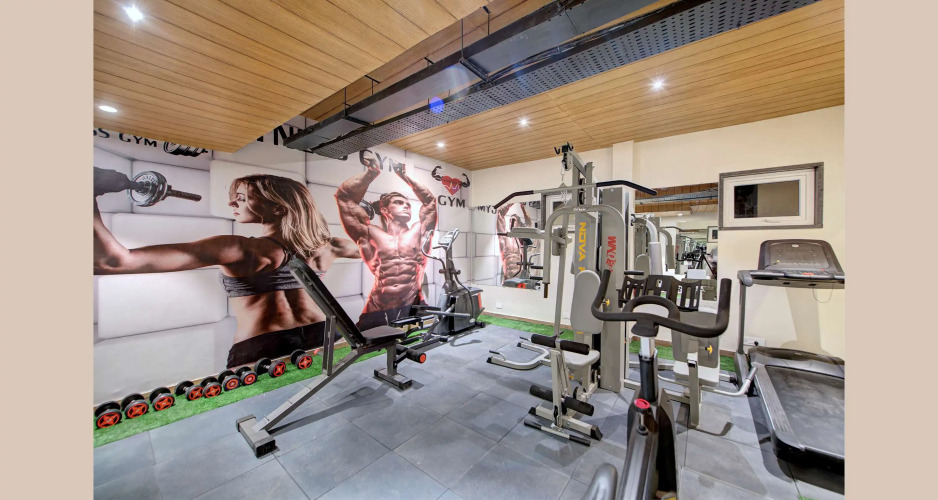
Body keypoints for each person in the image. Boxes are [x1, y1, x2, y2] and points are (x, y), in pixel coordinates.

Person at [92, 168, 360, 368]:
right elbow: (376, 250)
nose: (232, 203)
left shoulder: (237, 248)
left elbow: (111, 261)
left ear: (278, 208)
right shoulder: (330, 247)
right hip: (324, 332)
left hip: (264, 344)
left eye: (242, 198)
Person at [335, 150, 437, 329]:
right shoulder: (369, 233)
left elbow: (429, 201)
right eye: (398, 202)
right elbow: (345, 197)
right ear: (384, 210)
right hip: (378, 308)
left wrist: (404, 175)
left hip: (412, 304)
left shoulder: (418, 231)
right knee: (364, 343)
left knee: (420, 340)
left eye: (408, 204)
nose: (406, 206)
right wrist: (371, 173)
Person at [496, 202, 533, 280]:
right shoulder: (505, 238)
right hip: (508, 277)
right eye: (510, 220)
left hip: (521, 277)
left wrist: (523, 208)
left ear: (519, 224)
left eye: (514, 220)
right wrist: (512, 201)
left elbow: (529, 225)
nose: (511, 222)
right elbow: (500, 215)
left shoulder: (522, 240)